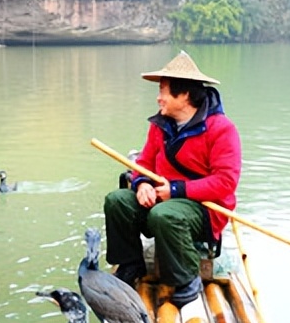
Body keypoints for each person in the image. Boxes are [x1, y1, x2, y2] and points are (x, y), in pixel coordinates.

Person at [102, 50, 241, 307]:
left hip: (203, 207)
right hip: (164, 199)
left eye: (163, 91)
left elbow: (225, 182)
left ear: (184, 94)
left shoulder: (222, 129)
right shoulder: (160, 125)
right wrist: (142, 183)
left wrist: (176, 190)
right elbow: (143, 163)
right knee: (117, 201)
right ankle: (130, 263)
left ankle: (187, 277)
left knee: (164, 214)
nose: (158, 98)